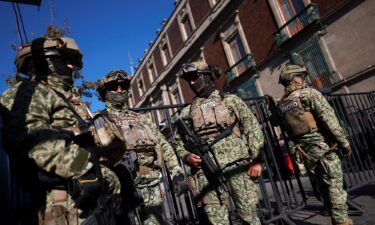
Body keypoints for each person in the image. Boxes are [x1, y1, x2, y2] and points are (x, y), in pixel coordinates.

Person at [0, 36, 121, 225]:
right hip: (58, 206)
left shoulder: (62, 98)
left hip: (86, 203)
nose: (72, 67)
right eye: (66, 61)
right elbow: (32, 139)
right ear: (45, 61)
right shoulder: (29, 91)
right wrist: (89, 169)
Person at [173, 60, 264, 225]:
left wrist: (257, 160)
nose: (191, 82)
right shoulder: (186, 112)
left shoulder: (229, 100)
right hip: (205, 174)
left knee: (249, 218)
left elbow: (253, 128)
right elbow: (177, 142)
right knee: (217, 222)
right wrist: (186, 156)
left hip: (236, 167)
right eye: (188, 79)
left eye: (194, 77)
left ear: (207, 76)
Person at [95, 69, 185, 225]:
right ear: (105, 92)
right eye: (114, 87)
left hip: (152, 185)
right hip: (122, 191)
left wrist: (176, 171)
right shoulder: (100, 120)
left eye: (123, 86)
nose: (119, 90)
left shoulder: (141, 119)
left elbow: (163, 144)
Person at [267, 64, 352, 225]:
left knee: (322, 184)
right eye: (301, 76)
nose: (303, 79)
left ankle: (330, 210)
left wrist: (272, 107)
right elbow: (330, 119)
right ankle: (341, 221)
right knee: (334, 184)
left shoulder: (283, 103)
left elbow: (276, 121)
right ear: (294, 78)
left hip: (304, 151)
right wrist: (344, 142)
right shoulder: (309, 94)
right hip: (323, 147)